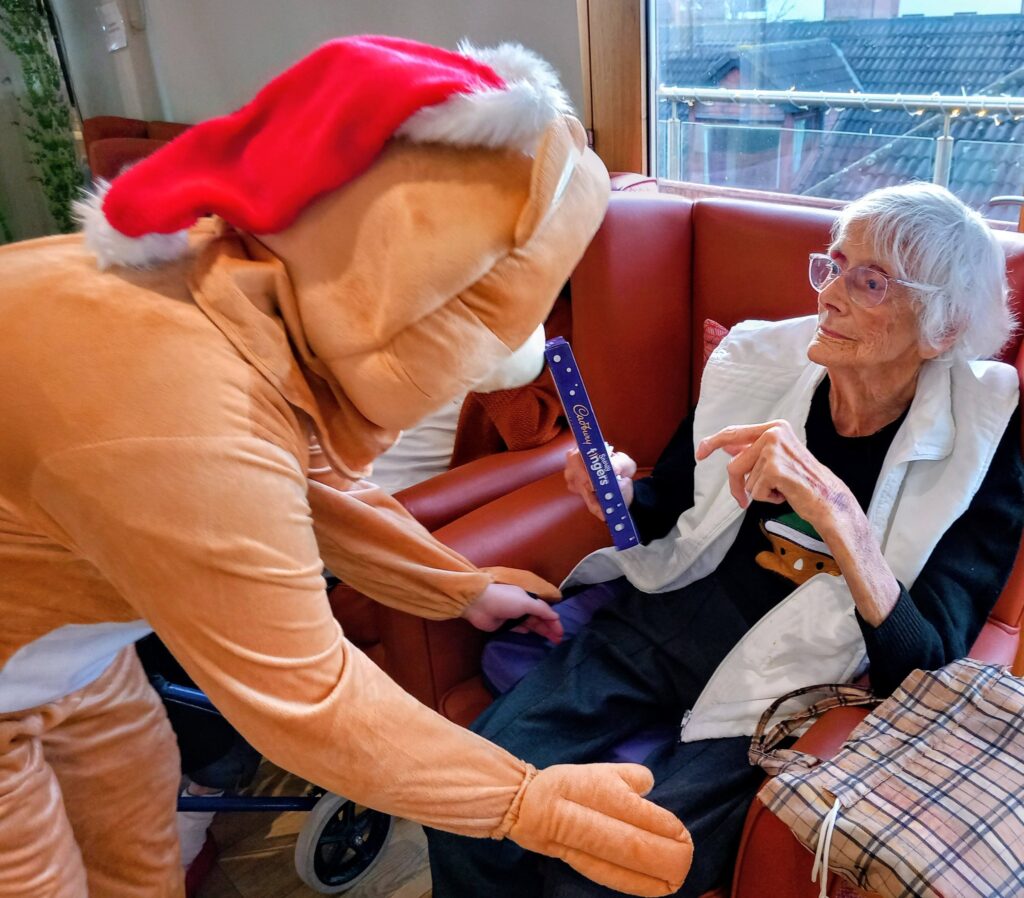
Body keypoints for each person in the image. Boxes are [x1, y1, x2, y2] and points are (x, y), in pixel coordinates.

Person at [0, 36, 693, 898]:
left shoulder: (232, 294)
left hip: (72, 656)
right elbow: (311, 700)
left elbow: (314, 478)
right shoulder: (180, 416)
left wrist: (460, 590)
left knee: (138, 842)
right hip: (21, 657)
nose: (516, 355)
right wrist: (523, 802)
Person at [426, 181, 1024, 897]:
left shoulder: (980, 452)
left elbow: (922, 671)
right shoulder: (763, 367)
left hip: (787, 690)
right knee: (467, 803)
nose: (829, 293)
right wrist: (620, 500)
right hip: (666, 620)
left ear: (943, 328)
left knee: (614, 880)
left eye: (867, 281)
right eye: (831, 266)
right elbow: (674, 505)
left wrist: (840, 515)